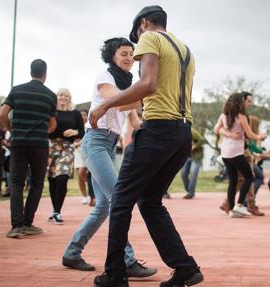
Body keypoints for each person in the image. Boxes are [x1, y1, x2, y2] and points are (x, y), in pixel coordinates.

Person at [89, 6, 204, 286]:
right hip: (182, 134)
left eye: (136, 37)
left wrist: (106, 104)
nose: (136, 46)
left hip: (158, 131)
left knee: (121, 202)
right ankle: (186, 268)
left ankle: (115, 274)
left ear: (143, 24)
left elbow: (148, 83)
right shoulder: (185, 48)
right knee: (150, 201)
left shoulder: (150, 38)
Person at [62, 37, 156, 278]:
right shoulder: (105, 78)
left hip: (109, 144)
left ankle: (72, 253)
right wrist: (149, 91)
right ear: (112, 57)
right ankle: (127, 260)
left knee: (103, 207)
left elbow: (134, 120)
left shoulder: (131, 83)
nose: (128, 57)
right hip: (95, 142)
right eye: (123, 53)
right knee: (119, 199)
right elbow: (119, 102)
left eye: (130, 53)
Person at [0, 59, 57, 238]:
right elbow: (53, 124)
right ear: (45, 74)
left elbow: (2, 114)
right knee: (37, 183)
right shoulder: (50, 95)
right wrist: (41, 131)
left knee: (16, 182)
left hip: (18, 142)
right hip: (39, 144)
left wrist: (12, 130)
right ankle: (27, 223)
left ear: (30, 71)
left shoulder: (17, 90)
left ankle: (16, 226)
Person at [214, 93, 265, 218]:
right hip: (236, 152)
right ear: (238, 103)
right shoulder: (241, 116)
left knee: (233, 180)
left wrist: (228, 134)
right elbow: (250, 134)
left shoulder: (223, 115)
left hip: (225, 153)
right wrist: (260, 136)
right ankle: (239, 205)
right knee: (249, 177)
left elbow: (216, 130)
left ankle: (231, 210)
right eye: (243, 101)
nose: (244, 103)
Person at [47, 88, 85, 224]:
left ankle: (57, 212)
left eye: (66, 95)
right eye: (60, 95)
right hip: (51, 147)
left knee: (62, 178)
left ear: (70, 98)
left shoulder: (75, 113)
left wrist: (74, 132)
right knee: (52, 179)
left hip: (67, 148)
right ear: (56, 97)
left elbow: (82, 132)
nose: (63, 97)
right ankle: (54, 209)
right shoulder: (51, 111)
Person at [181, 127, 205, 199]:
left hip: (196, 157)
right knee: (183, 174)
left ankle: (191, 193)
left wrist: (194, 146)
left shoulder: (190, 130)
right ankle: (189, 190)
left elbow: (201, 140)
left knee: (193, 173)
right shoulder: (177, 132)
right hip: (186, 157)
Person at [74, 110, 89, 204]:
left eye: (85, 115)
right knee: (80, 177)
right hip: (76, 153)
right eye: (81, 115)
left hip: (86, 152)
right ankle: (84, 196)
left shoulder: (89, 126)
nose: (83, 117)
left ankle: (92, 191)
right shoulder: (74, 126)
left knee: (82, 172)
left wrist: (80, 143)